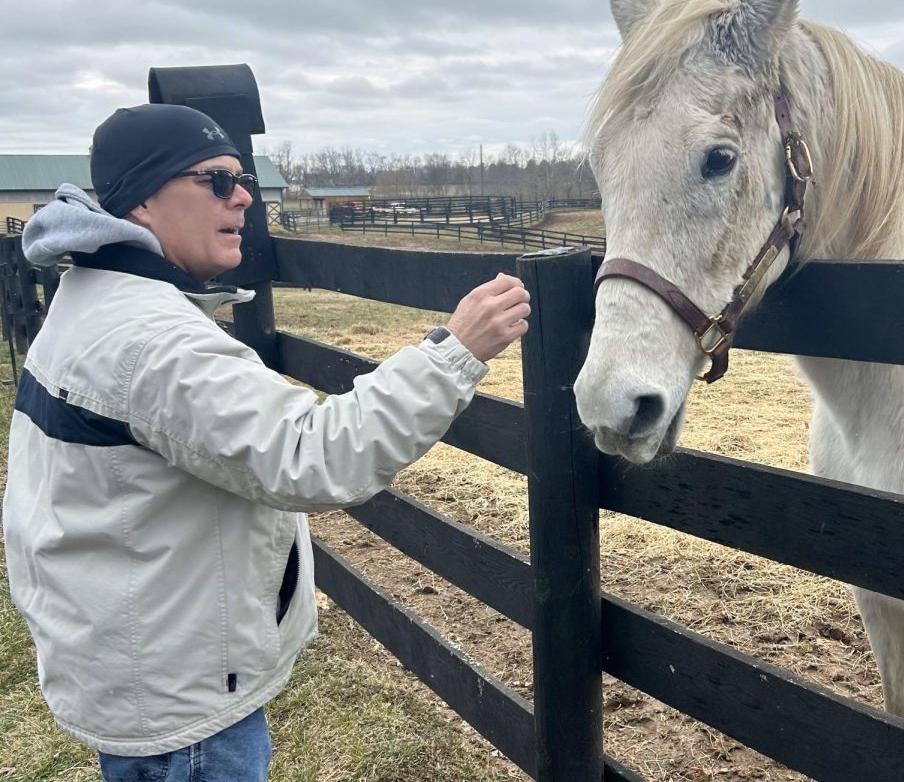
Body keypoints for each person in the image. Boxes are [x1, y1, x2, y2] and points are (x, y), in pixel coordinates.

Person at [2, 103, 531, 781]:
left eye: (243, 177)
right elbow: (317, 455)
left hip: (132, 655)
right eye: (217, 180)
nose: (244, 195)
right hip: (178, 696)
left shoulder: (93, 294)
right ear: (143, 199)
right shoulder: (153, 342)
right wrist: (454, 354)